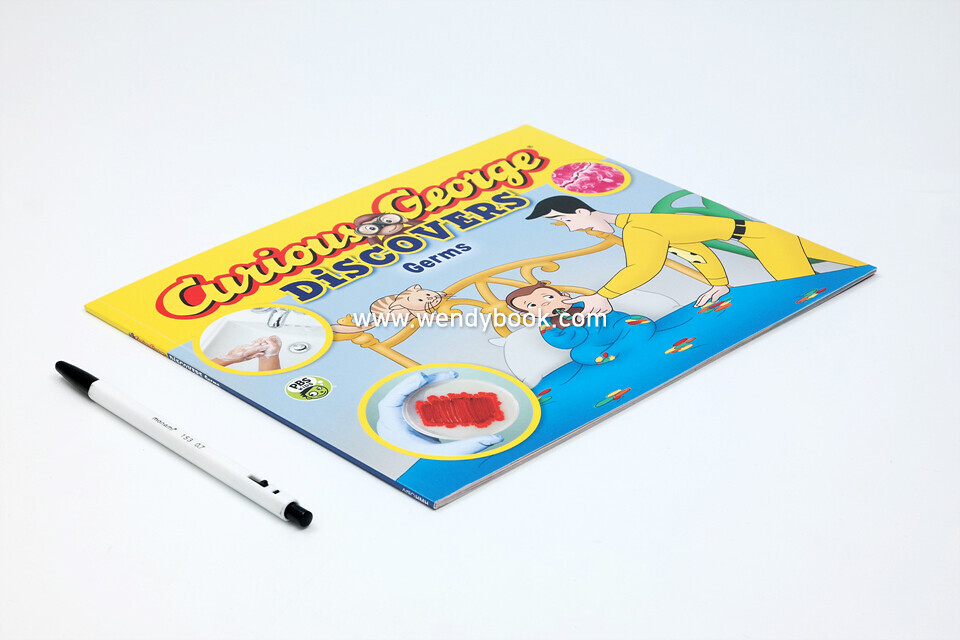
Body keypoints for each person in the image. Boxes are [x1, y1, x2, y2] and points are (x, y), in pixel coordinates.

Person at [526, 195, 865, 315]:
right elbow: (694, 251)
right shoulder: (636, 226)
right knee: (844, 269)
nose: (571, 228)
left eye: (566, 220)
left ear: (582, 211)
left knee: (805, 293)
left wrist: (603, 295)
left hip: (766, 240)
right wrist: (719, 283)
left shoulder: (639, 229)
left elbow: (643, 268)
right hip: (761, 237)